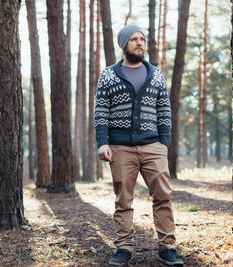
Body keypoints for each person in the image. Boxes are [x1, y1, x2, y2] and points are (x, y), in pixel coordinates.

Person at [94, 24, 184, 266]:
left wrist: (164, 142)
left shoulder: (156, 74)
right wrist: (103, 143)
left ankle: (167, 247)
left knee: (163, 196)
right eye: (134, 39)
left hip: (153, 145)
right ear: (124, 44)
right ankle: (124, 247)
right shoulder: (109, 75)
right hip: (120, 147)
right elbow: (101, 111)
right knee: (123, 199)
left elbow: (164, 110)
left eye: (142, 39)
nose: (139, 43)